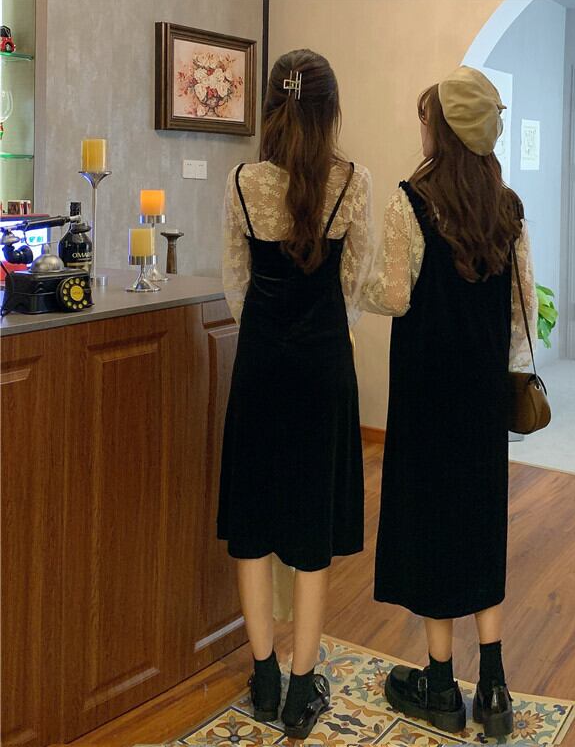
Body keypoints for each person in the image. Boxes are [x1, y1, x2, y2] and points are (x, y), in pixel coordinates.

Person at [363, 66, 537, 739]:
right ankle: (494, 687)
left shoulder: (411, 202)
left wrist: (353, 278)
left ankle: (439, 686)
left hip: (425, 395)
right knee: (480, 524)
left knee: (431, 527)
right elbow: (523, 312)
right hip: (481, 398)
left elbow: (393, 294)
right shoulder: (509, 208)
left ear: (442, 128)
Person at [217, 49, 373, 740]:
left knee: (251, 521)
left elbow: (235, 282)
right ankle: (303, 687)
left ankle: (263, 678)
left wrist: (269, 329)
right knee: (312, 528)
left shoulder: (243, 182)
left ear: (271, 108)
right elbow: (356, 285)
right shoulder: (353, 183)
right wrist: (323, 329)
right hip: (322, 368)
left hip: (259, 366)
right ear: (330, 111)